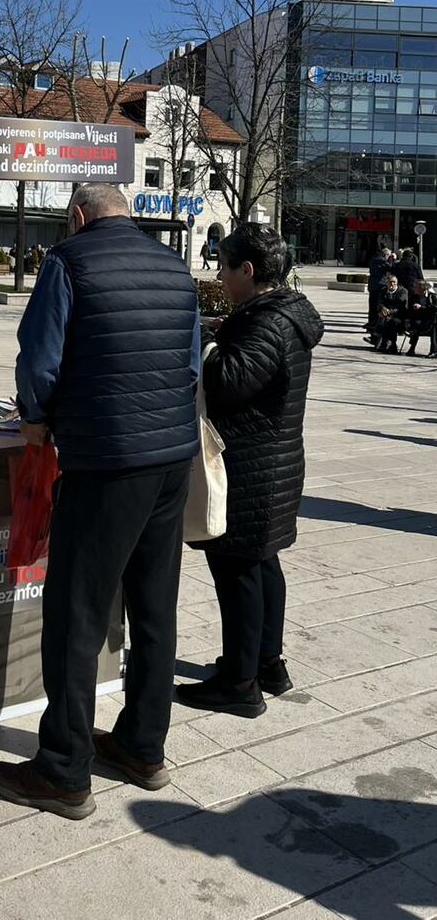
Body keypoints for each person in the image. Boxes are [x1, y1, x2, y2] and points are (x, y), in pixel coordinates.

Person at [0, 183, 200, 820]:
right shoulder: (174, 265)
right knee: (154, 606)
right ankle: (142, 746)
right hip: (172, 458)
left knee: (75, 615)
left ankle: (62, 770)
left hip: (106, 459)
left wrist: (35, 418)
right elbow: (191, 364)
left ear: (79, 215)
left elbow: (40, 361)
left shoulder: (68, 260)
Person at [176, 224, 323, 718]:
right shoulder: (281, 315)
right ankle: (267, 663)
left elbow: (227, 382)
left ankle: (239, 684)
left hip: (251, 466)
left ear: (248, 270)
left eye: (225, 266)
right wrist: (226, 331)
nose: (219, 275)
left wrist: (204, 341)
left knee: (237, 569)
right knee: (263, 563)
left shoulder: (265, 323)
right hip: (274, 461)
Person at [370, 273, 409, 354]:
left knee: (389, 321)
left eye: (394, 282)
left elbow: (400, 306)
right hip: (386, 314)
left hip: (399, 315)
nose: (392, 284)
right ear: (386, 283)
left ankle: (381, 339)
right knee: (384, 319)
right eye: (390, 282)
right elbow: (379, 302)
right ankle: (387, 344)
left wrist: (388, 312)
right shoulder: (383, 290)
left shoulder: (402, 291)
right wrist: (382, 308)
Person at [366, 245, 395, 329]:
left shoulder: (373, 260)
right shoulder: (382, 261)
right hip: (380, 285)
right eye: (388, 256)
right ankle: (377, 323)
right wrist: (392, 259)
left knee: (372, 305)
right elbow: (391, 268)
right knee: (380, 305)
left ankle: (371, 322)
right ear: (385, 255)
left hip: (372, 285)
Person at [406, 280, 437, 358]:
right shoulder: (414, 297)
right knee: (415, 324)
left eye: (415, 287)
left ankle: (434, 351)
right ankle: (412, 348)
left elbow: (434, 309)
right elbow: (409, 310)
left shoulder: (432, 296)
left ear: (422, 289)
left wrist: (421, 307)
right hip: (418, 320)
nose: (413, 289)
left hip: (430, 321)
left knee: (434, 327)